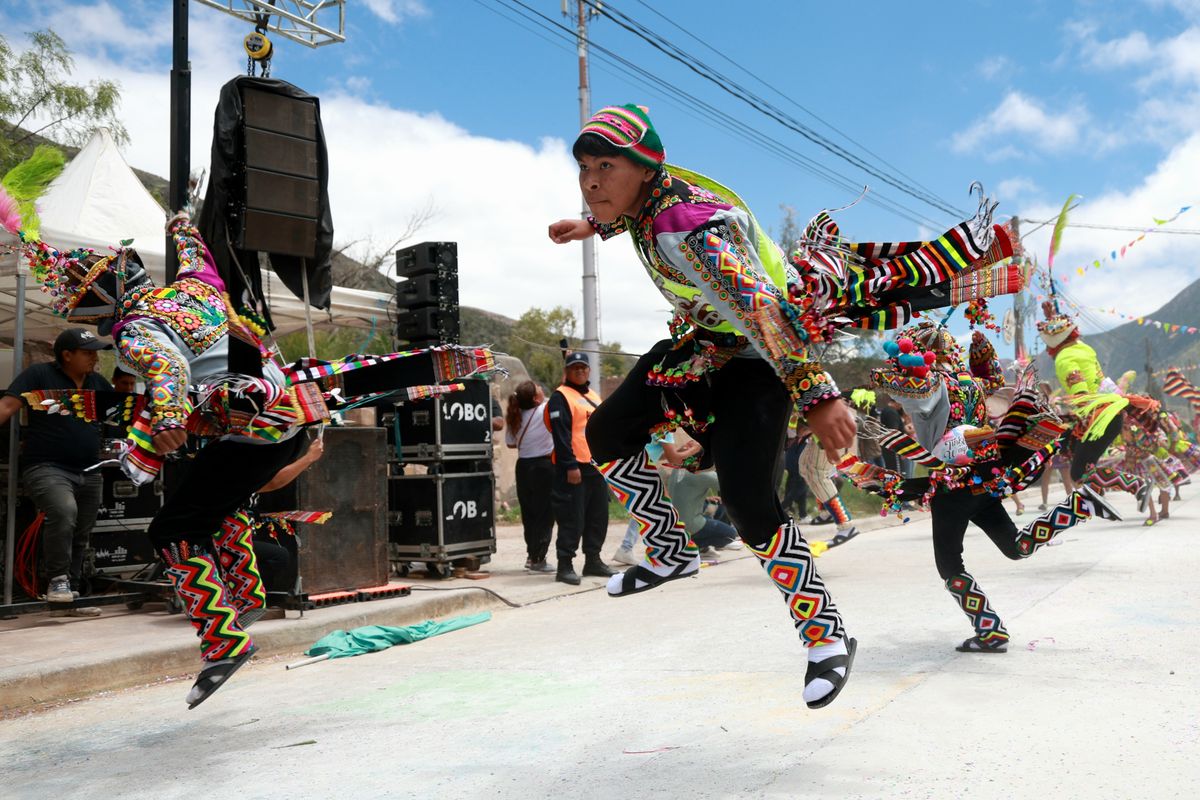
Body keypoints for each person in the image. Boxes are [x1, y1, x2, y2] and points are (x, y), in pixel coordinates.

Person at [865, 323, 1119, 653]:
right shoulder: (971, 382)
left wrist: (894, 367)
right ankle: (1077, 507)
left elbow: (895, 386)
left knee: (950, 565)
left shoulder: (932, 383)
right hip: (984, 475)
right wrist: (979, 352)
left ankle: (990, 631)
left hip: (952, 484)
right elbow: (993, 379)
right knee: (1014, 547)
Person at [0, 328, 112, 615]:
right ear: (67, 355)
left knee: (82, 532)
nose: (94, 358)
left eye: (95, 352)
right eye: (88, 353)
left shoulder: (98, 383)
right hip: (47, 467)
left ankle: (70, 595)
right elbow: (7, 406)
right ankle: (58, 580)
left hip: (90, 469)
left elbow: (119, 417)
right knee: (64, 512)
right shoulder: (39, 375)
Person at [545, 353, 614, 585]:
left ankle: (593, 560)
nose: (580, 371)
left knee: (598, 517)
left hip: (595, 465)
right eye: (574, 368)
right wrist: (569, 465)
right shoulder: (560, 397)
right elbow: (561, 435)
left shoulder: (592, 395)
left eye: (583, 367)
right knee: (572, 518)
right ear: (567, 371)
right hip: (574, 468)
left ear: (589, 370)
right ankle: (564, 566)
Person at [504, 380, 555, 573]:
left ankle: (531, 555)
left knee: (529, 514)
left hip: (523, 466)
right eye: (538, 388)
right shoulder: (544, 409)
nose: (542, 388)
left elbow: (510, 443)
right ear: (536, 398)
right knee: (544, 514)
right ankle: (538, 559)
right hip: (543, 467)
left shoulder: (515, 415)